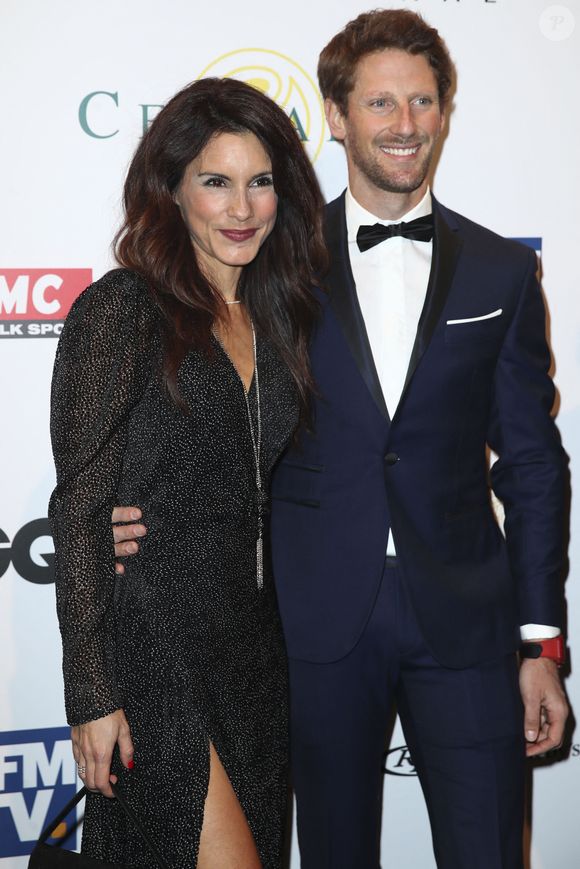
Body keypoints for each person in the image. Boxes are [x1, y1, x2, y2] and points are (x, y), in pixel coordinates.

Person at [112, 9, 570, 868]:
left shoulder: (503, 271)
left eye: (423, 101)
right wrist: (129, 510)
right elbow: (208, 406)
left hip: (467, 623)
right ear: (336, 115)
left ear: (445, 111)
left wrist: (540, 641)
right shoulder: (268, 261)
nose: (405, 124)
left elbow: (534, 463)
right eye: (381, 102)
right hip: (313, 622)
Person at [49, 76, 325, 869]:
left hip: (254, 648)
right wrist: (91, 695)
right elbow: (80, 506)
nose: (241, 208)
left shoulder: (279, 317)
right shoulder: (124, 309)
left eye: (259, 181)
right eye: (215, 181)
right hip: (155, 643)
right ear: (171, 189)